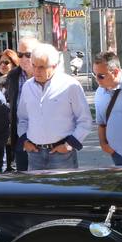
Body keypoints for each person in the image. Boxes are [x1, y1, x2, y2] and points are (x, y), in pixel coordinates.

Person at [18, 42, 94, 171]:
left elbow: (85, 120)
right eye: (34, 65)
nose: (36, 71)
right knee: (36, 191)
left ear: (55, 66)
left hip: (62, 155)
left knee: (63, 191)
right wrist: (25, 141)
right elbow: (23, 119)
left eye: (42, 67)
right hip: (34, 154)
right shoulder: (27, 86)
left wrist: (69, 145)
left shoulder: (70, 85)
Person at [3, 37, 38, 171]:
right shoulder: (13, 76)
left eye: (28, 54)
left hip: (46, 139)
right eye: (20, 55)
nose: (23, 59)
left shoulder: (49, 75)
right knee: (25, 183)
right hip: (21, 137)